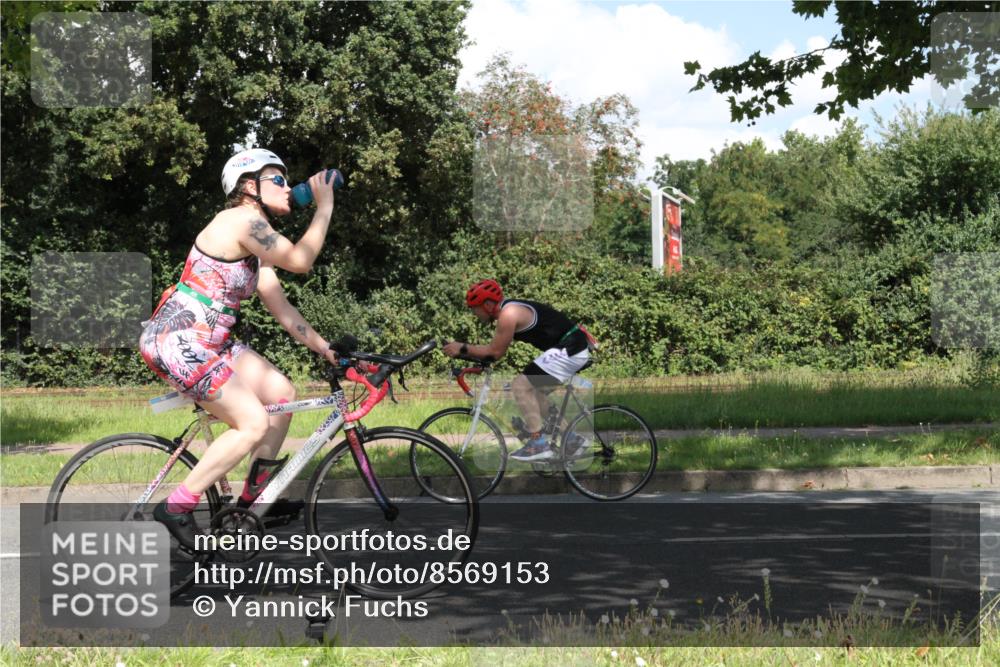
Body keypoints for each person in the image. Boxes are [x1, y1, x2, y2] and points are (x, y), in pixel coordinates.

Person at [139, 148, 339, 549]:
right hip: (179, 339)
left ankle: (251, 502)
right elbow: (300, 259)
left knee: (281, 392)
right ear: (251, 186)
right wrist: (324, 206)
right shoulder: (241, 220)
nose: (287, 187)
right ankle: (177, 506)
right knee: (252, 423)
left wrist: (328, 350)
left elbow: (282, 309)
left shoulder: (255, 243)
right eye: (277, 180)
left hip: (214, 343)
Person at [442, 279, 595, 462]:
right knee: (535, 393)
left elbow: (495, 352)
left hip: (571, 348)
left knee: (520, 386)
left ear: (488, 305)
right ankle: (572, 440)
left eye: (475, 308)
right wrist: (470, 355)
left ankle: (538, 444)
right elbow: (494, 352)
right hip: (570, 347)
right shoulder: (508, 311)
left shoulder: (509, 314)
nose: (475, 313)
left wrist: (462, 348)